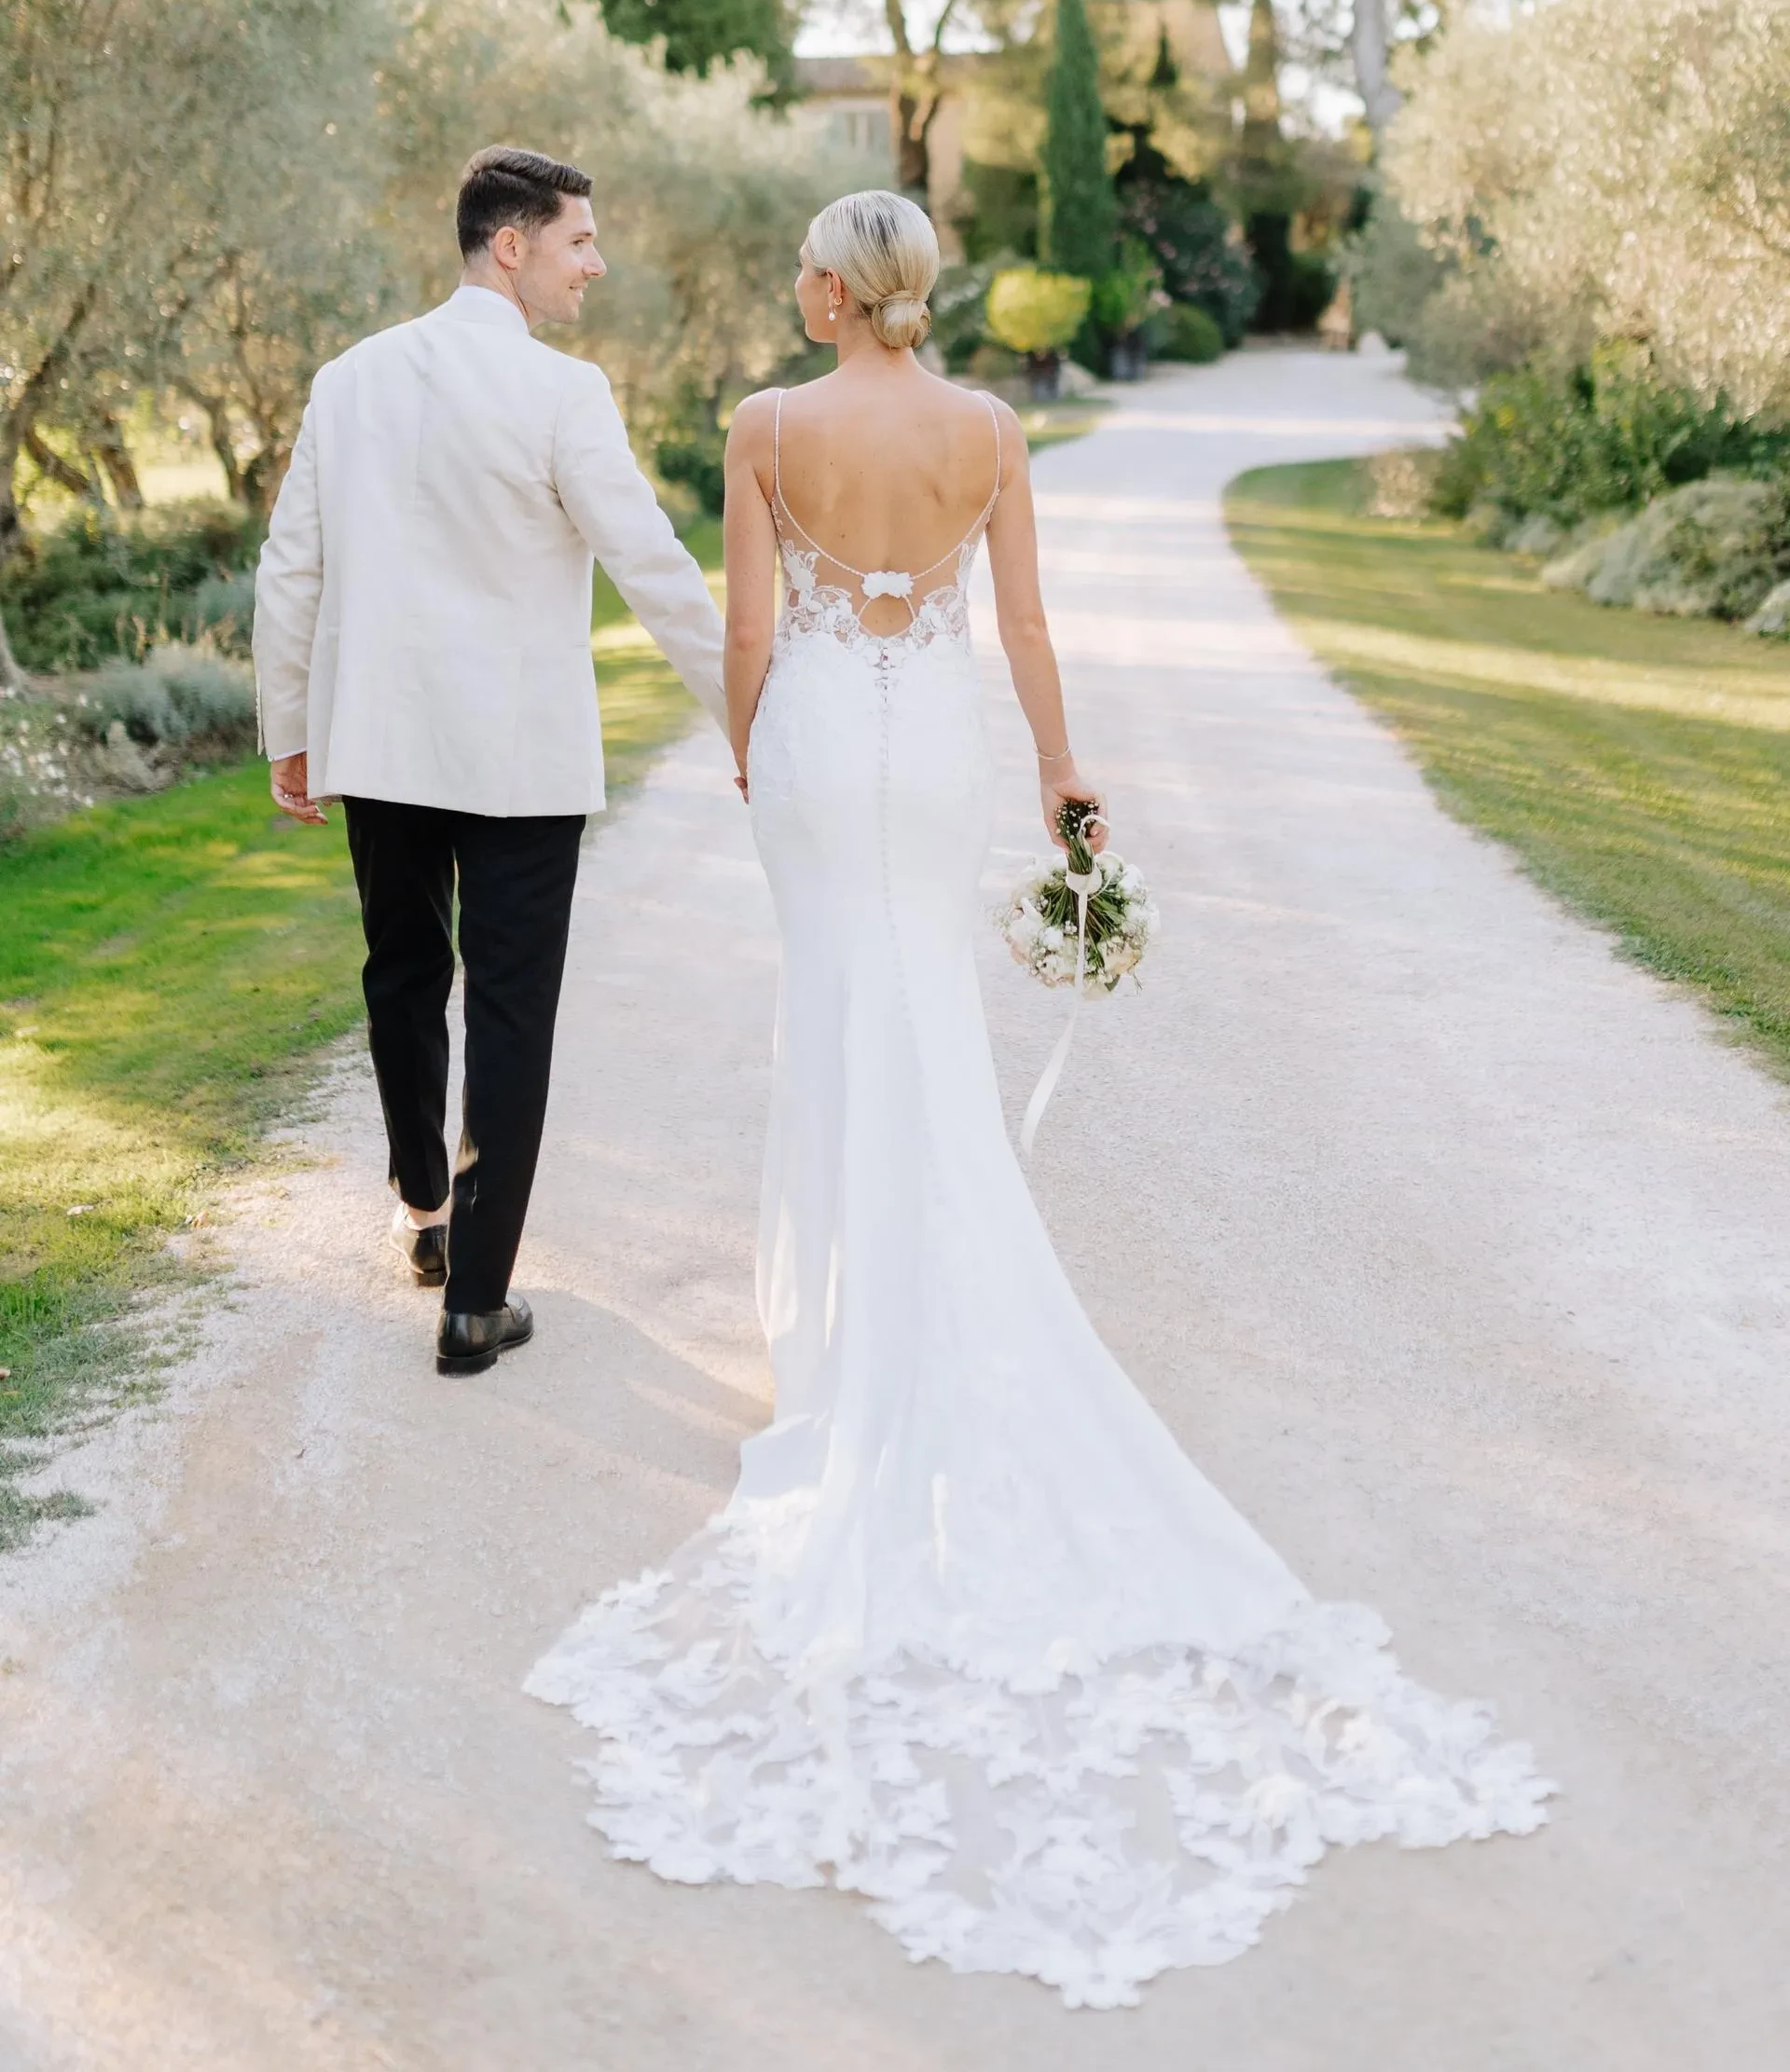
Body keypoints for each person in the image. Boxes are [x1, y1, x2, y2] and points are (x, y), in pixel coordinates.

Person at [528, 190, 1549, 2005]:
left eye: (804, 268)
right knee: (924, 1016)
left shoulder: (767, 427)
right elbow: (1023, 629)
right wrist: (1064, 775)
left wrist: (756, 753)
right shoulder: (990, 429)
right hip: (940, 750)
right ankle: (914, 1297)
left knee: (838, 1016)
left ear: (838, 288)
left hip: (824, 740)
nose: (794, 286)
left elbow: (751, 635)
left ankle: (840, 1342)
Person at [253, 146, 726, 1376]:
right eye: (580, 240)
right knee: (510, 1009)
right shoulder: (563, 393)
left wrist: (290, 727)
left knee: (404, 976)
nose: (596, 264)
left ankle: (423, 1210)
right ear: (510, 246)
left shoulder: (350, 379)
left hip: (381, 746)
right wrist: (747, 711)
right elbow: (650, 559)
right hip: (519, 759)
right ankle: (476, 1300)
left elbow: (290, 564)